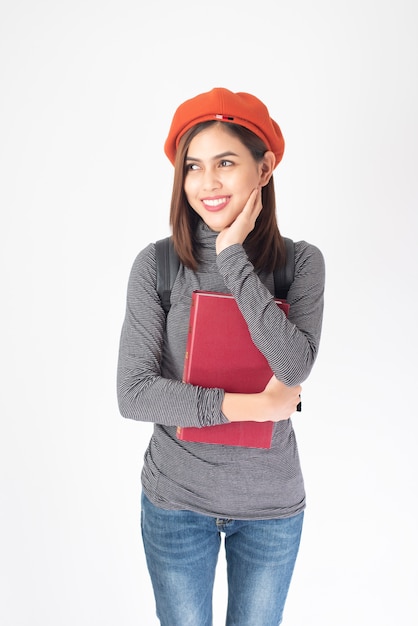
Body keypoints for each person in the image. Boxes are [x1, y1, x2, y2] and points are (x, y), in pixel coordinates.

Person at [117, 87, 325, 626]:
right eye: (193, 167)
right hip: (175, 504)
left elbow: (295, 366)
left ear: (264, 168)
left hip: (271, 512)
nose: (206, 183)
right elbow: (134, 394)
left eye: (225, 163)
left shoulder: (300, 265)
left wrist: (233, 259)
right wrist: (256, 407)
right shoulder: (157, 266)